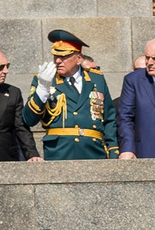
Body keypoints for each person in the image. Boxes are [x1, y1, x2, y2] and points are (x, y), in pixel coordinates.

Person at [25, 29, 117, 159]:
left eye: (64, 57)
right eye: (55, 56)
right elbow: (29, 119)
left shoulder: (96, 78)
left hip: (94, 151)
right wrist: (42, 89)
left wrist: (113, 151)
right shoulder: (45, 79)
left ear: (79, 58)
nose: (57, 61)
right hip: (60, 151)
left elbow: (109, 118)